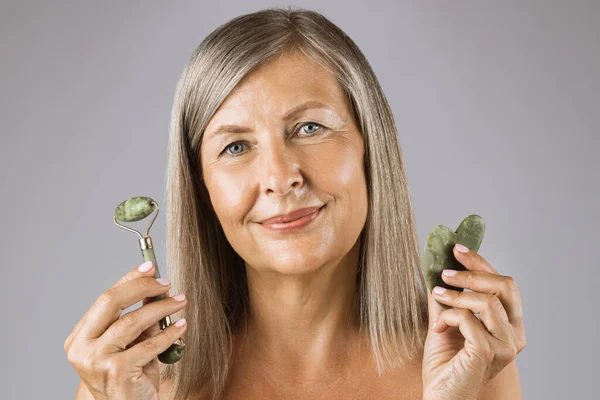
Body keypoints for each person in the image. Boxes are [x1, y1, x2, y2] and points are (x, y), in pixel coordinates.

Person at [64, 6, 525, 400]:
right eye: (236, 147)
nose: (281, 178)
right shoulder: (134, 381)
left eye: (309, 128)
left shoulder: (465, 358)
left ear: (371, 148)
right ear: (202, 188)